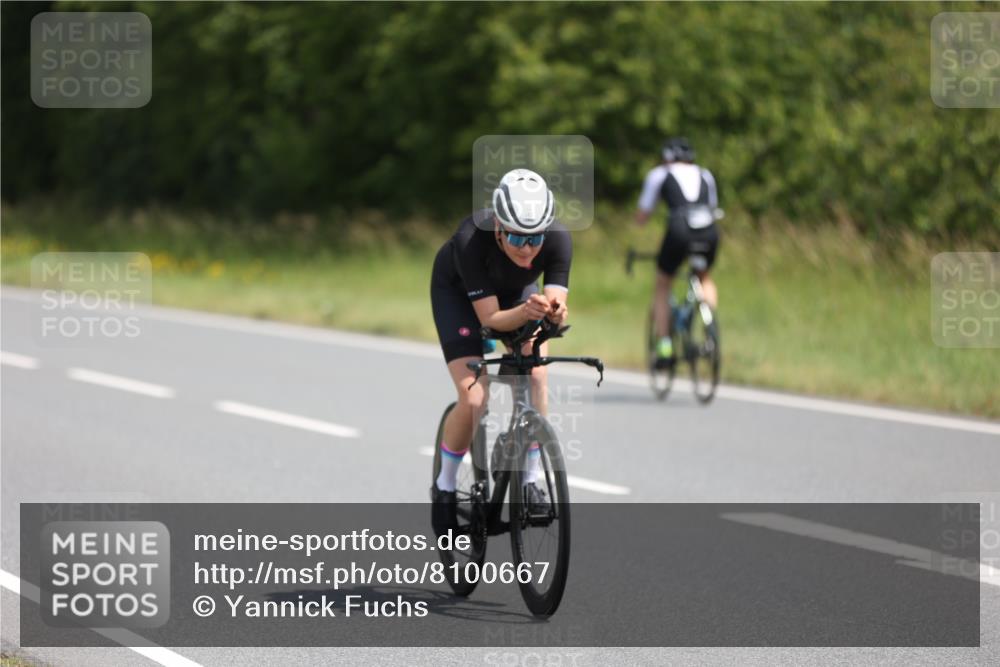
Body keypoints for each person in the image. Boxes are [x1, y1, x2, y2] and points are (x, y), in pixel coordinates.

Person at [429, 169, 571, 536]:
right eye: (517, 237)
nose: (528, 248)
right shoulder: (470, 240)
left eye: (536, 237)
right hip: (461, 297)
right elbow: (491, 320)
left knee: (536, 372)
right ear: (497, 228)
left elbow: (555, 304)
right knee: (475, 396)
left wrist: (555, 313)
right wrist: (527, 313)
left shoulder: (557, 239)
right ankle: (444, 486)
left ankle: (533, 477)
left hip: (516, 295)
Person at [635, 137, 720, 366]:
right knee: (704, 276)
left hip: (679, 229)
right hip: (709, 229)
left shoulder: (659, 174)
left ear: (667, 157)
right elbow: (712, 206)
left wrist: (637, 225)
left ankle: (664, 347)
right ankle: (710, 331)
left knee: (663, 283)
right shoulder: (706, 174)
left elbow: (643, 213)